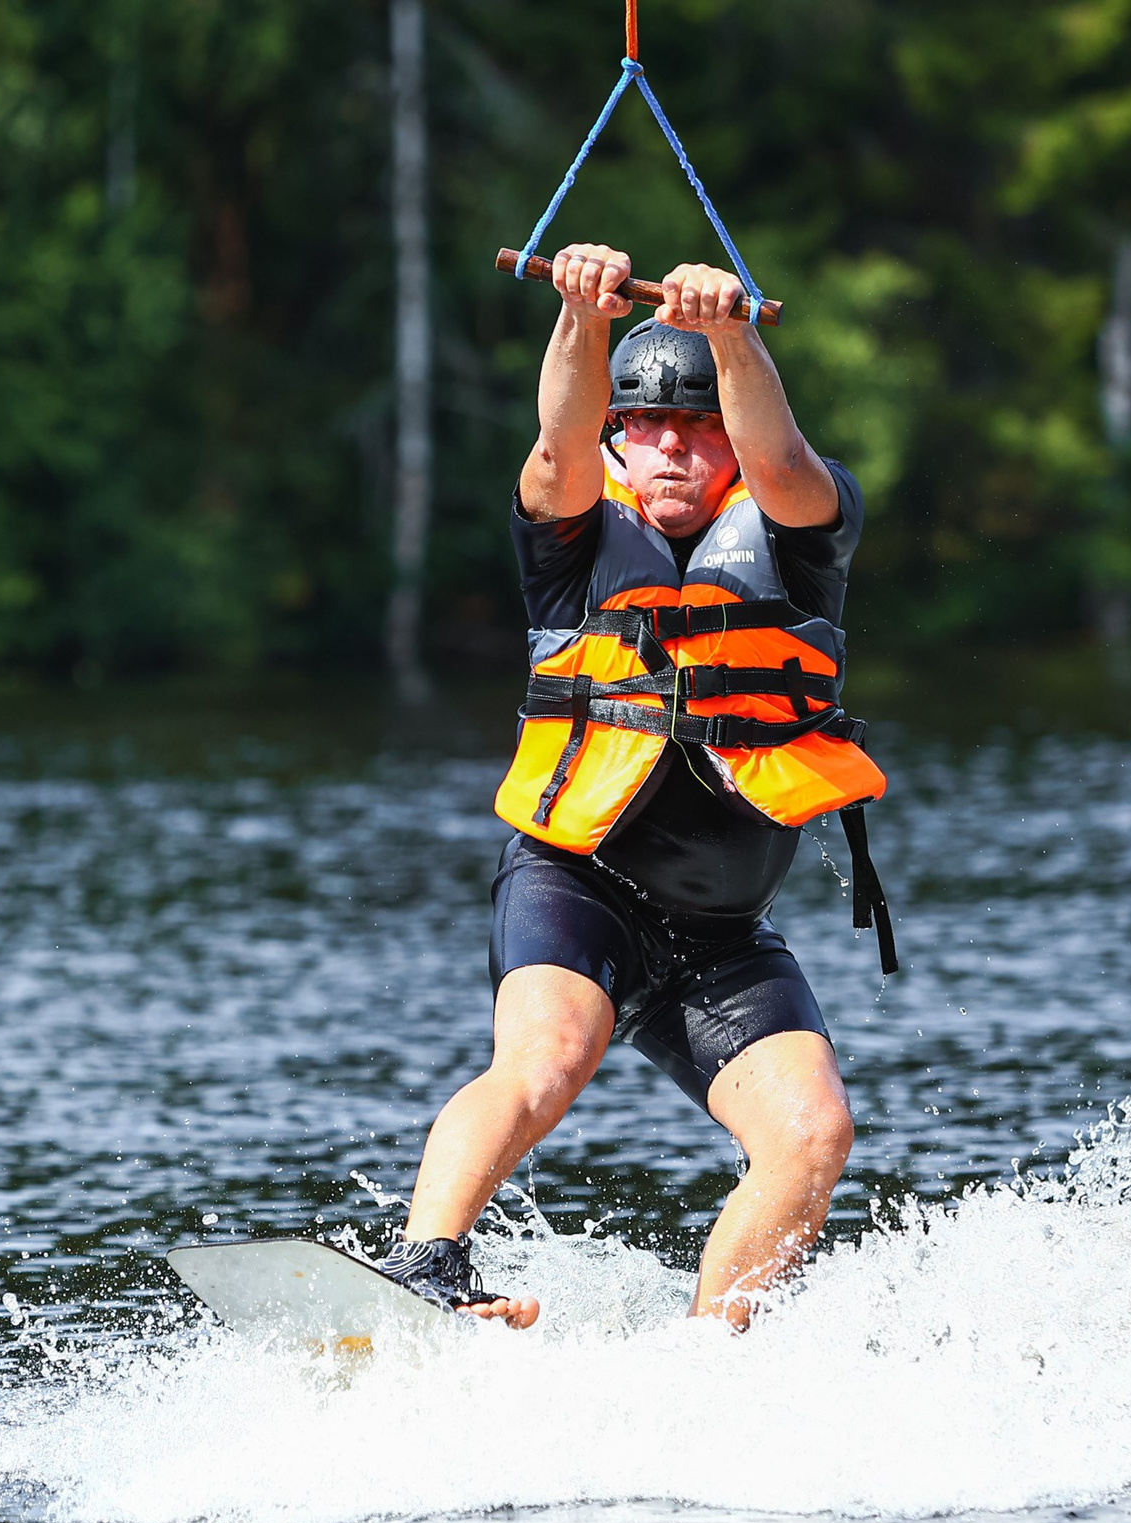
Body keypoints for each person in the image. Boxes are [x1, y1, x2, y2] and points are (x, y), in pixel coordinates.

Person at [377, 242, 889, 1332]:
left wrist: (732, 335)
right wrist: (579, 314)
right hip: (577, 881)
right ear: (620, 435)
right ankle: (427, 1268)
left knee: (814, 1134)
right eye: (647, 425)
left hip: (721, 930)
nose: (670, 447)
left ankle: (712, 1358)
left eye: (697, 427)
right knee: (548, 1056)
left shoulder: (803, 529)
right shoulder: (569, 534)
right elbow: (557, 443)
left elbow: (785, 460)